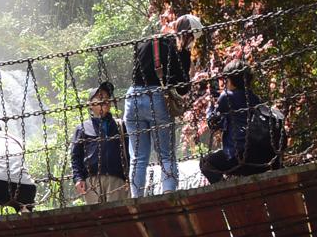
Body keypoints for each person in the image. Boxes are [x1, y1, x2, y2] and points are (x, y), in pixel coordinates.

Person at [124, 14, 202, 196]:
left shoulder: (147, 42)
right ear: (190, 35)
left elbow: (135, 73)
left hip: (133, 97)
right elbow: (182, 88)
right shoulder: (179, 50)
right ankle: (169, 195)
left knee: (138, 157)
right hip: (157, 99)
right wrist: (190, 72)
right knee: (166, 155)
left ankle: (137, 199)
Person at [198, 64, 285, 184]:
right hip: (264, 158)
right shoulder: (254, 97)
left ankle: (226, 190)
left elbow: (212, 123)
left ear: (230, 80)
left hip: (241, 157)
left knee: (205, 163)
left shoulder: (226, 97)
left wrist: (211, 106)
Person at [70, 83, 131, 205]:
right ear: (91, 104)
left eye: (107, 97)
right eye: (100, 97)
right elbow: (75, 156)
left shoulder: (120, 126)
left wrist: (129, 177)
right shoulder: (82, 128)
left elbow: (129, 152)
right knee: (96, 215)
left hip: (116, 179)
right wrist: (78, 178)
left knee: (117, 214)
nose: (104, 100)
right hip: (92, 181)